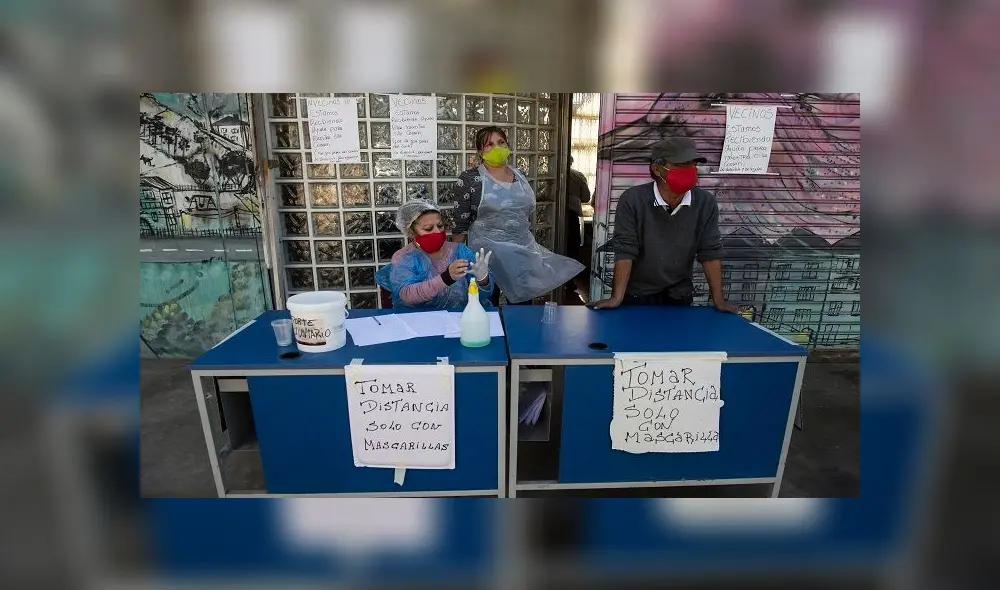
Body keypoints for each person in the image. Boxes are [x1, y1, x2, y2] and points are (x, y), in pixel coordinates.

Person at [590, 136, 738, 312]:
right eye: (679, 165)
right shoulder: (633, 200)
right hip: (638, 297)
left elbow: (710, 252)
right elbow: (625, 250)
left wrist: (718, 300)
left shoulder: (705, 203)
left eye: (692, 164)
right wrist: (616, 298)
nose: (689, 170)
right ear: (657, 168)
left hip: (679, 297)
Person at [452, 126, 584, 304]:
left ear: (508, 146)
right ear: (480, 151)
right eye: (489, 144)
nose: (496, 148)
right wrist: (455, 258)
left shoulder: (519, 175)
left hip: (521, 252)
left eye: (501, 142)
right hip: (487, 256)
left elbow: (526, 213)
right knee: (486, 302)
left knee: (522, 305)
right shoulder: (470, 179)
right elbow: (460, 223)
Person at [375, 199, 494, 310]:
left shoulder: (460, 252)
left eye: (440, 226)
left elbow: (480, 297)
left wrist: (483, 280)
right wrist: (446, 277)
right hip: (418, 324)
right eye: (428, 228)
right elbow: (407, 295)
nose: (437, 231)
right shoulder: (405, 258)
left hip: (459, 322)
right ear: (411, 232)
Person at [565, 155, 591, 264]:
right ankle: (572, 276)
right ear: (571, 162)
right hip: (573, 214)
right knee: (573, 246)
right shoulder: (578, 176)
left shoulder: (550, 173)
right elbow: (586, 197)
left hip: (551, 217)